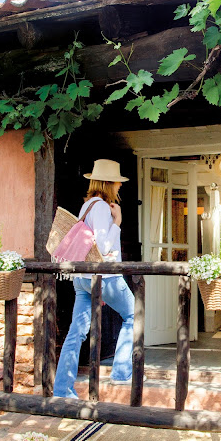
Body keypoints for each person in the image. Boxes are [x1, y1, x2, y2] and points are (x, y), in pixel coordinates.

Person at [53, 159, 135, 398]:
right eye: (118, 183)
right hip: (103, 276)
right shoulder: (100, 207)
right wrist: (117, 222)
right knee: (133, 314)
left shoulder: (87, 206)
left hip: (83, 277)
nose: (120, 187)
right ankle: (120, 372)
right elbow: (103, 244)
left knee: (76, 332)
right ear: (109, 183)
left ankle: (62, 389)